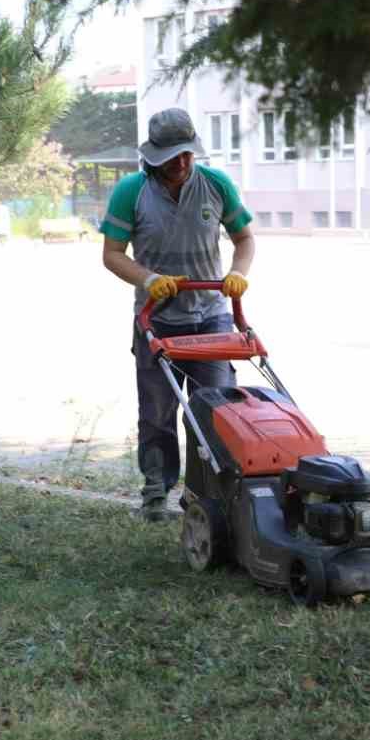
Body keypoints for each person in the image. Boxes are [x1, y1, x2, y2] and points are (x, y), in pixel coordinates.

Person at [100, 108, 256, 522]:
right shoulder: (131, 192)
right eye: (172, 155)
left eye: (187, 154)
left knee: (215, 410)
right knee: (157, 413)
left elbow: (244, 238)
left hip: (211, 317)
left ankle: (209, 498)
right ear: (152, 156)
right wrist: (148, 279)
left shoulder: (216, 184)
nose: (182, 162)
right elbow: (112, 255)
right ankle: (155, 495)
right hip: (158, 319)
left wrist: (237, 273)